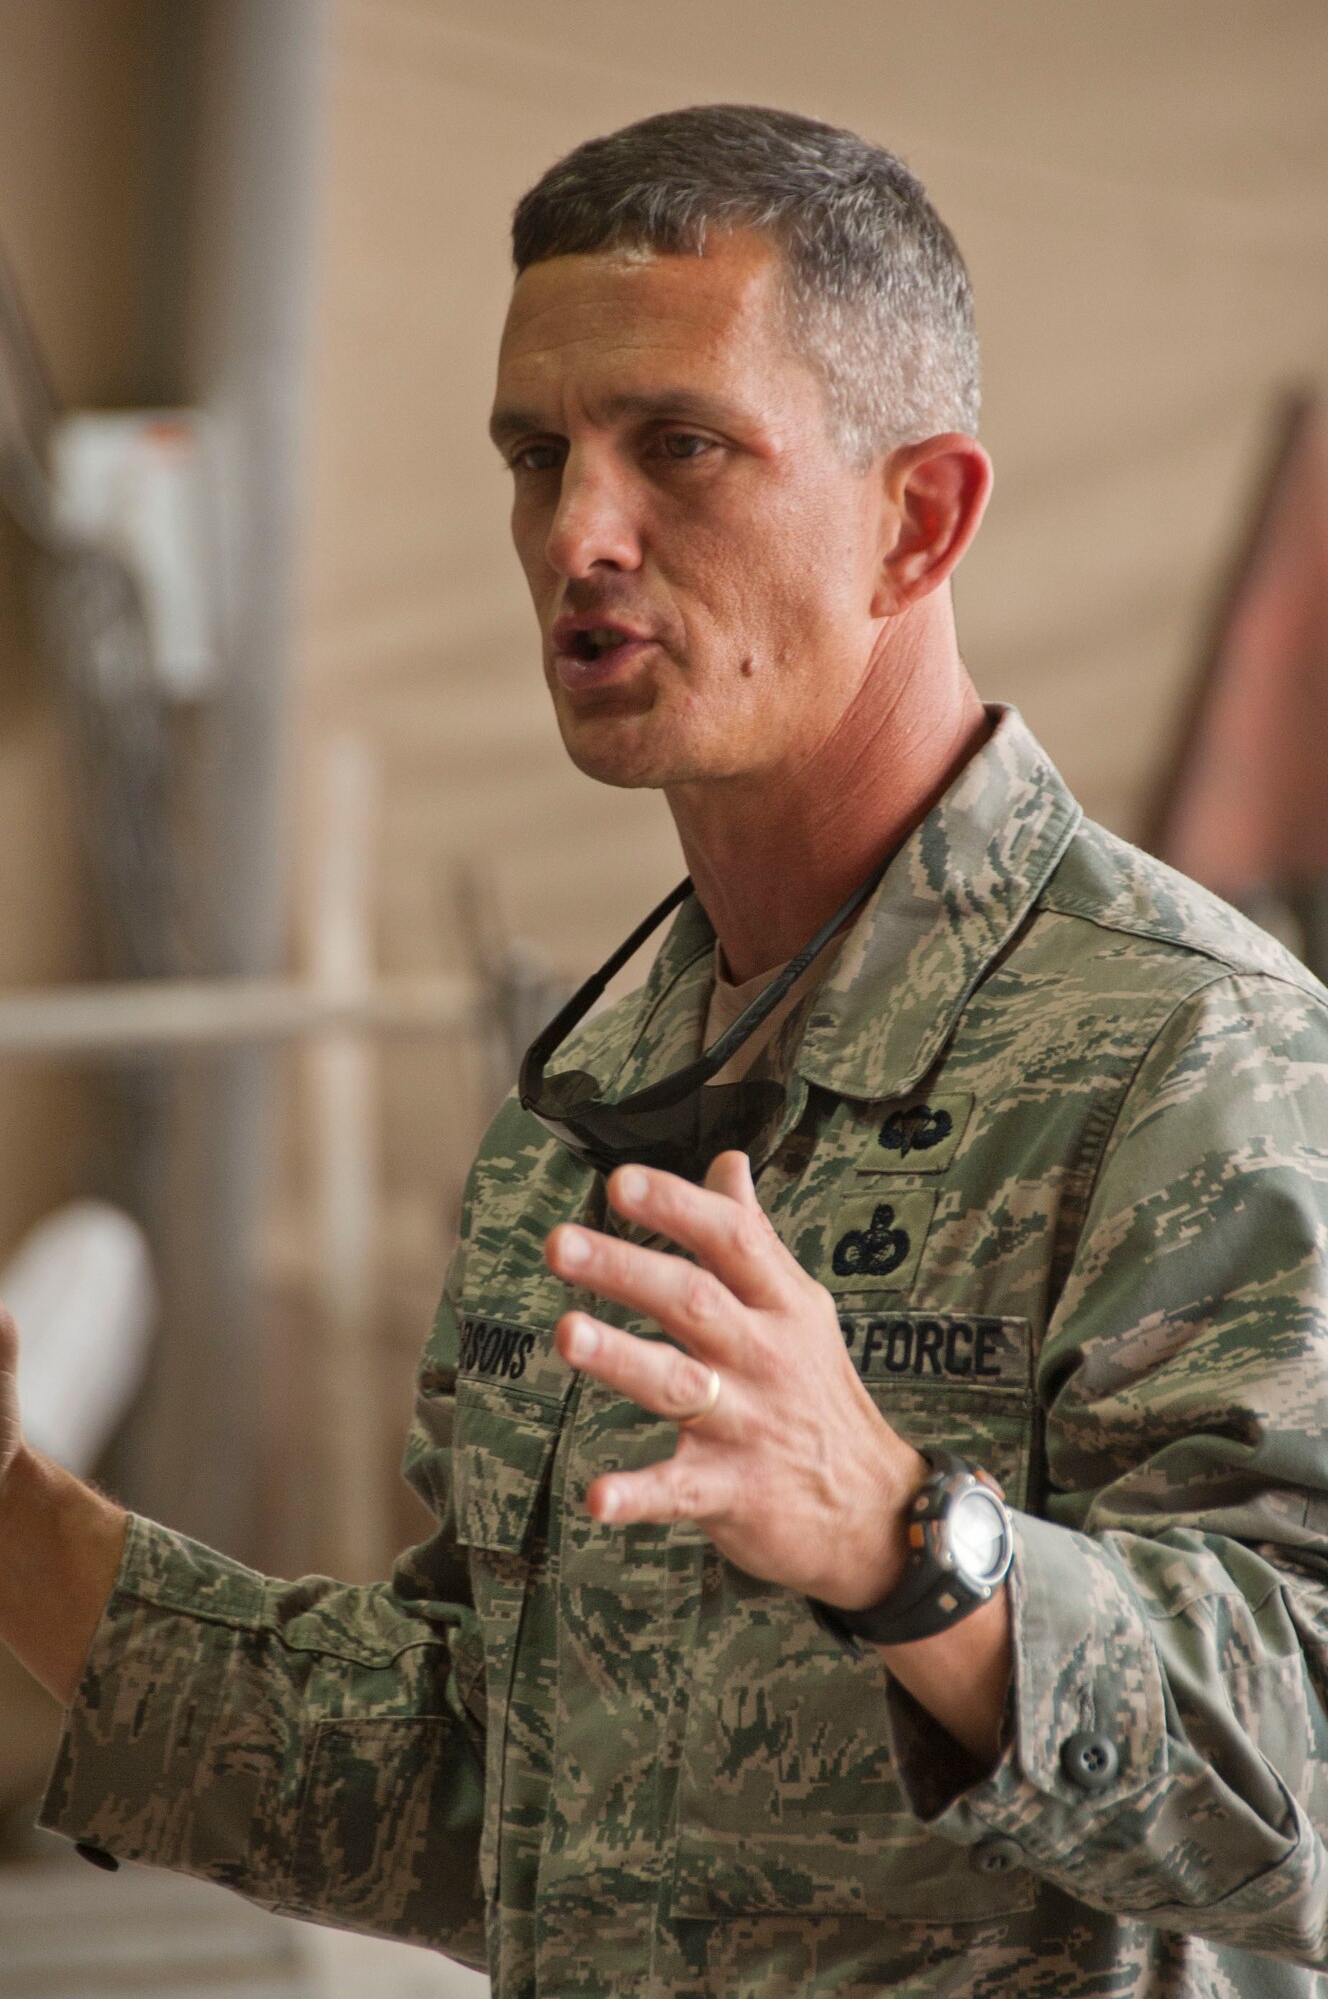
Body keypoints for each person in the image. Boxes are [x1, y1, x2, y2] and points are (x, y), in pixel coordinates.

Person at [4, 102, 1328, 1998]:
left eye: (680, 447)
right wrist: (13, 1522)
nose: (578, 534)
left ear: (919, 520)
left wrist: (900, 1540)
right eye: (536, 456)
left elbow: (1310, 1792)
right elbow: (491, 1789)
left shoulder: (1192, 1055)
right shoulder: (595, 1096)